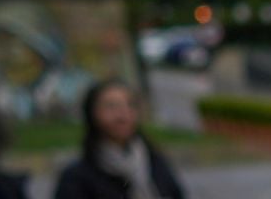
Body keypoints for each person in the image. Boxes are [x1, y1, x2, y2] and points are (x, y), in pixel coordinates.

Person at [54, 79, 185, 199]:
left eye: (130, 105)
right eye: (111, 107)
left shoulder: (155, 162)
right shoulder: (77, 177)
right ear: (92, 113)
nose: (123, 114)